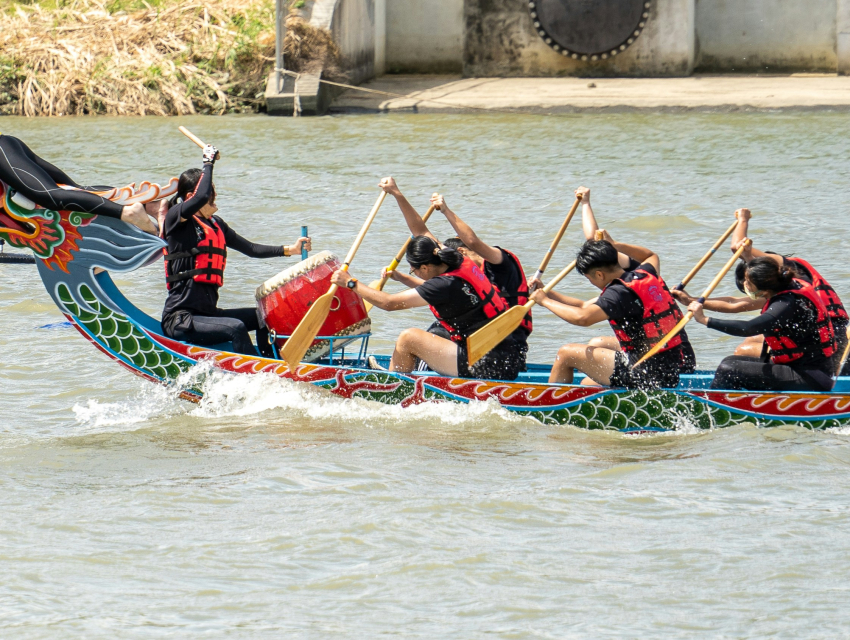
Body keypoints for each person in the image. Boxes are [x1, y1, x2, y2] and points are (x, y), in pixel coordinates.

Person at [161, 144, 311, 357]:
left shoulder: (216, 225)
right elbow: (201, 196)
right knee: (236, 328)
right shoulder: (176, 219)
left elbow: (251, 249)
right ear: (189, 198)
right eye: (209, 190)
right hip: (180, 319)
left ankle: (273, 363)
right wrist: (208, 162)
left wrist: (291, 250)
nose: (213, 194)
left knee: (263, 317)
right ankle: (256, 376)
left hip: (208, 315)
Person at [672, 207, 850, 375]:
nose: (753, 294)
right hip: (822, 339)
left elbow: (737, 247)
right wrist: (691, 301)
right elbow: (735, 303)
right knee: (751, 342)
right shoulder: (780, 288)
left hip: (830, 342)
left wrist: (743, 219)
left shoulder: (790, 280)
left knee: (742, 350)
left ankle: (763, 387)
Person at [330, 236, 525, 380]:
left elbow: (389, 303)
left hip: (484, 365)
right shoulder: (460, 262)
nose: (413, 272)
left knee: (408, 338)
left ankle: (393, 385)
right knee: (436, 333)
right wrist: (401, 277)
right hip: (507, 358)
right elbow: (423, 235)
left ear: (424, 268)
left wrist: (350, 283)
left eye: (413, 269)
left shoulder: (442, 285)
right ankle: (404, 374)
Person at [529, 234, 692, 388]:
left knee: (566, 354)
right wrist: (615, 245)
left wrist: (545, 301)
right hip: (672, 362)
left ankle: (548, 405)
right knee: (587, 381)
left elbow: (583, 318)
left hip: (647, 372)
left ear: (599, 274)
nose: (591, 282)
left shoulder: (617, 294)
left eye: (589, 278)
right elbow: (651, 255)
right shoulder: (645, 274)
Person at [687, 257, 836, 391]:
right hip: (800, 367)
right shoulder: (788, 285)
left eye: (748, 282)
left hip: (810, 376)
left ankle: (712, 409)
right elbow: (735, 303)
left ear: (764, 289)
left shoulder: (786, 304)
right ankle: (739, 402)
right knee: (730, 361)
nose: (744, 284)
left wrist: (704, 320)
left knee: (729, 369)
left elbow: (748, 328)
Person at [0, 133, 157, 234]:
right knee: (74, 191)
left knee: (52, 197)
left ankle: (128, 213)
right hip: (7, 145)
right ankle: (151, 206)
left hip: (3, 150)